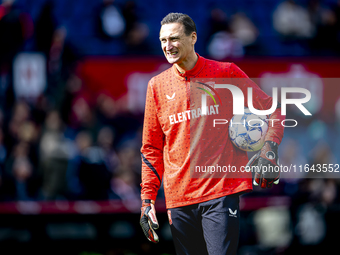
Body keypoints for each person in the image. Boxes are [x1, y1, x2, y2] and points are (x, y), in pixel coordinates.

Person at [139, 13, 285, 255]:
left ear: (193, 37)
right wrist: (147, 201)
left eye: (174, 38)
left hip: (220, 193)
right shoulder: (156, 86)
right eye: (163, 40)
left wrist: (269, 149)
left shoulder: (226, 72)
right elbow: (151, 149)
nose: (168, 46)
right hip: (178, 200)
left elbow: (274, 111)